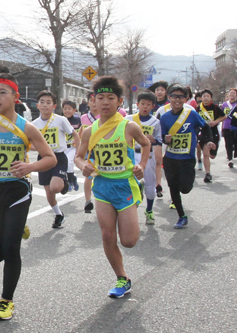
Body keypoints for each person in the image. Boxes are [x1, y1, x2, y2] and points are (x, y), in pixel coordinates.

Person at [0, 73, 56, 321]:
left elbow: (50, 158)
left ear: (16, 97)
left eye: (2, 93)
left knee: (10, 247)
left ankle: (6, 301)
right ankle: (17, 226)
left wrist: (29, 168)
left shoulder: (27, 128)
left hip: (17, 191)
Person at [75, 76, 150, 298]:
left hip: (125, 185)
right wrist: (84, 166)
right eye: (100, 98)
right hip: (102, 186)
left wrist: (141, 166)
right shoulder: (88, 131)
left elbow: (146, 144)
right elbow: (79, 157)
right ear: (94, 101)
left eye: (110, 98)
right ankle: (122, 278)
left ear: (119, 101)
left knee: (129, 241)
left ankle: (134, 211)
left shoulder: (129, 126)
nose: (105, 102)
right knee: (107, 235)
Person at [160, 84, 215, 228]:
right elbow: (161, 136)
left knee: (185, 188)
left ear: (186, 99)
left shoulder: (191, 114)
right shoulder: (165, 117)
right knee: (172, 187)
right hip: (170, 158)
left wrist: (208, 140)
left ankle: (185, 182)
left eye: (181, 97)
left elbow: (206, 126)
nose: (177, 100)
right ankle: (181, 216)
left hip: (187, 159)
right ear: (169, 98)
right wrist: (166, 139)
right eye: (174, 96)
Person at [32, 90, 80, 228]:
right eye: (42, 102)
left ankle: (64, 182)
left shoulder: (60, 120)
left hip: (59, 157)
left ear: (54, 106)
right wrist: (39, 148)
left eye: (48, 102)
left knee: (55, 187)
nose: (45, 105)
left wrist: (78, 153)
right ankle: (59, 215)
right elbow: (29, 144)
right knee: (49, 192)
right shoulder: (34, 124)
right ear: (37, 105)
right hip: (43, 159)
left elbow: (75, 135)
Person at [125, 91, 162, 225]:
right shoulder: (128, 119)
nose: (145, 107)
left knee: (150, 188)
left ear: (153, 106)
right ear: (137, 104)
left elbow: (159, 140)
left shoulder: (155, 122)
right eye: (142, 104)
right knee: (130, 183)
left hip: (148, 155)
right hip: (131, 155)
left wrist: (154, 140)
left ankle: (149, 210)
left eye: (148, 104)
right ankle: (131, 212)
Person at [196, 89, 226, 183]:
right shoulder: (198, 108)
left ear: (211, 98)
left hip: (213, 132)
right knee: (206, 153)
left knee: (212, 155)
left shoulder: (215, 107)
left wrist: (215, 122)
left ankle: (209, 162)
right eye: (204, 96)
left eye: (207, 96)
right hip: (203, 132)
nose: (205, 98)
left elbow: (224, 116)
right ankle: (208, 174)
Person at [148, 81, 169, 199]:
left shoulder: (169, 104)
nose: (159, 92)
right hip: (152, 135)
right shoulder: (151, 104)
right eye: (157, 90)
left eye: (162, 90)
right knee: (154, 161)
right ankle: (155, 183)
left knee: (159, 161)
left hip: (165, 135)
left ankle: (158, 184)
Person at [79, 92, 100, 213]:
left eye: (95, 100)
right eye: (91, 100)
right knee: (89, 175)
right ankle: (88, 201)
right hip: (89, 152)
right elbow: (82, 132)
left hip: (102, 150)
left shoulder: (104, 116)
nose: (93, 103)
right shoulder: (84, 118)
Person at [62, 100, 81, 191]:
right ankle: (73, 178)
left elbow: (81, 132)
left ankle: (70, 182)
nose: (67, 111)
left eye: (69, 109)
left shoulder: (78, 120)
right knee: (63, 165)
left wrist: (78, 147)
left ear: (74, 110)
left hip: (73, 147)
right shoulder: (61, 120)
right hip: (64, 147)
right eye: (65, 109)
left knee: (69, 162)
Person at [221, 88, 237, 168]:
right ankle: (230, 159)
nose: (232, 95)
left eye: (234, 93)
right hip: (226, 126)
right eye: (231, 93)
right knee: (228, 143)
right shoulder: (224, 105)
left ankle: (235, 153)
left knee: (235, 142)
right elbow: (221, 116)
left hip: (236, 126)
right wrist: (222, 126)